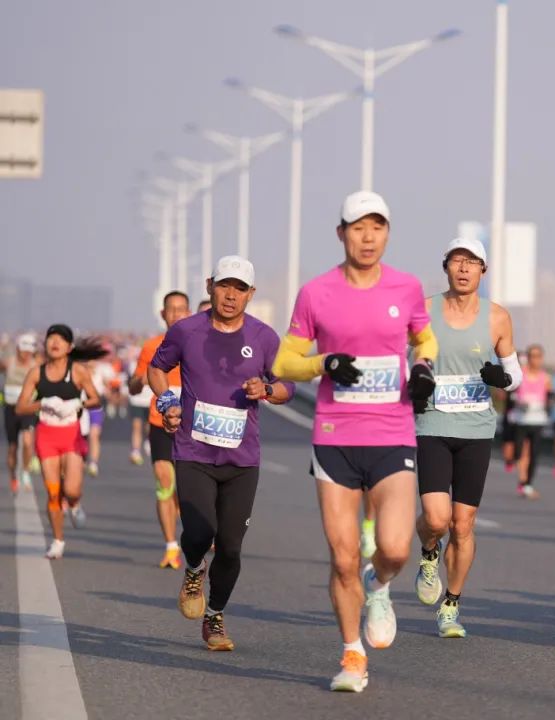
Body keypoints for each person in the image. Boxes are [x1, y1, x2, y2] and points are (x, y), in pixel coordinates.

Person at [271, 191, 437, 693]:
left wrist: (424, 366)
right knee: (342, 557)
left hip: (392, 434)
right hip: (335, 438)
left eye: (377, 227)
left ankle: (379, 585)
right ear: (341, 233)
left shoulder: (407, 287)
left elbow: (424, 338)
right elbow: (284, 362)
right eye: (358, 228)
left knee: (395, 548)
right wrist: (324, 363)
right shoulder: (316, 293)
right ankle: (351, 654)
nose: (368, 238)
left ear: (387, 233)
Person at [150, 256, 294, 652]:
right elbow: (157, 368)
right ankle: (194, 568)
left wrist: (267, 390)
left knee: (230, 546)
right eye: (224, 285)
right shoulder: (186, 331)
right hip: (194, 451)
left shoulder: (264, 337)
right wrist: (167, 401)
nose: (231, 295)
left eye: (240, 289)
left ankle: (214, 615)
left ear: (251, 294)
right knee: (200, 532)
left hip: (242, 460)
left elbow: (288, 386)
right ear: (210, 285)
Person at [413, 236, 520, 638]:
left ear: (482, 270)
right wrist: (416, 380)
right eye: (457, 261)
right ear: (446, 267)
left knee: (463, 523)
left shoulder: (497, 317)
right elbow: (406, 358)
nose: (463, 268)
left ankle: (451, 605)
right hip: (433, 423)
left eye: (471, 262)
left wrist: (501, 379)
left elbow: (515, 374)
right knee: (437, 519)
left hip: (476, 428)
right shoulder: (424, 310)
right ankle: (428, 551)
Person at [14, 325, 106, 558]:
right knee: (53, 492)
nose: (55, 343)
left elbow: (96, 399)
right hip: (47, 435)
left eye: (61, 339)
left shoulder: (77, 371)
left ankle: (74, 504)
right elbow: (20, 407)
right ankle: (57, 540)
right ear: (45, 344)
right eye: (51, 339)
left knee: (71, 490)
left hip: (71, 434)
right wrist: (42, 403)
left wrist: (78, 403)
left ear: (69, 347)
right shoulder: (36, 373)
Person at [130, 290, 191, 569]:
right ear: (163, 314)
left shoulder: (199, 344)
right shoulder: (151, 347)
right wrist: (140, 380)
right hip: (160, 422)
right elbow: (133, 386)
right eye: (171, 309)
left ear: (189, 313)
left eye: (181, 309)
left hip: (193, 426)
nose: (176, 314)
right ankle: (170, 546)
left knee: (188, 489)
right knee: (165, 481)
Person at [511, 344, 551, 499]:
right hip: (521, 419)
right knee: (520, 452)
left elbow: (549, 397)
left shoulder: (545, 377)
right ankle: (523, 480)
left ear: (542, 358)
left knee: (534, 453)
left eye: (538, 356)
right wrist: (517, 401)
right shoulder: (520, 374)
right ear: (527, 357)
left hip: (538, 420)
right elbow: (509, 393)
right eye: (532, 356)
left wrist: (551, 402)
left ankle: (527, 483)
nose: (535, 359)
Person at [3, 333, 39, 493]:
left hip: (28, 408)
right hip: (11, 408)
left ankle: (25, 471)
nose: (26, 354)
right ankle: (13, 476)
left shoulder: (35, 365)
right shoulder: (9, 363)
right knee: (12, 447)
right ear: (18, 349)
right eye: (24, 351)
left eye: (29, 351)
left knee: (27, 441)